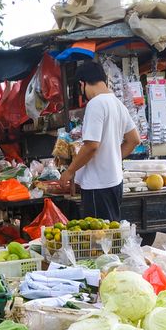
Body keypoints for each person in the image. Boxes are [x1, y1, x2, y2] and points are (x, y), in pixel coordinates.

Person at [59, 61, 141, 221]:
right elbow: (134, 140)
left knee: (99, 239)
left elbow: (91, 146)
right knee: (110, 235)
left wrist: (69, 171)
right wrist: (113, 159)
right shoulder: (117, 104)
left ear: (82, 84)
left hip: (98, 185)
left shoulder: (96, 104)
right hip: (114, 182)